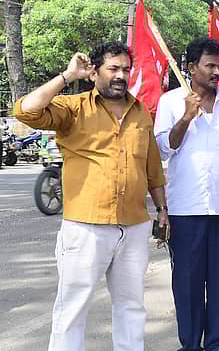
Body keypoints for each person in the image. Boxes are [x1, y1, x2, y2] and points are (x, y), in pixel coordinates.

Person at [14, 43, 167, 351]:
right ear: (94, 72)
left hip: (134, 226)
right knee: (73, 308)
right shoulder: (73, 107)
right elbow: (27, 110)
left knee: (131, 306)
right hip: (86, 226)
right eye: (113, 69)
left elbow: (152, 168)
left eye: (125, 69)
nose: (120, 75)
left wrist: (162, 209)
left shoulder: (141, 113)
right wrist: (68, 76)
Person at [153, 37, 219, 351]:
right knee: (188, 283)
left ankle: (217, 343)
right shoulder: (171, 101)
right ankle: (190, 344)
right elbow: (165, 147)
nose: (217, 71)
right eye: (210, 65)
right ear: (192, 68)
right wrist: (187, 116)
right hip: (185, 208)